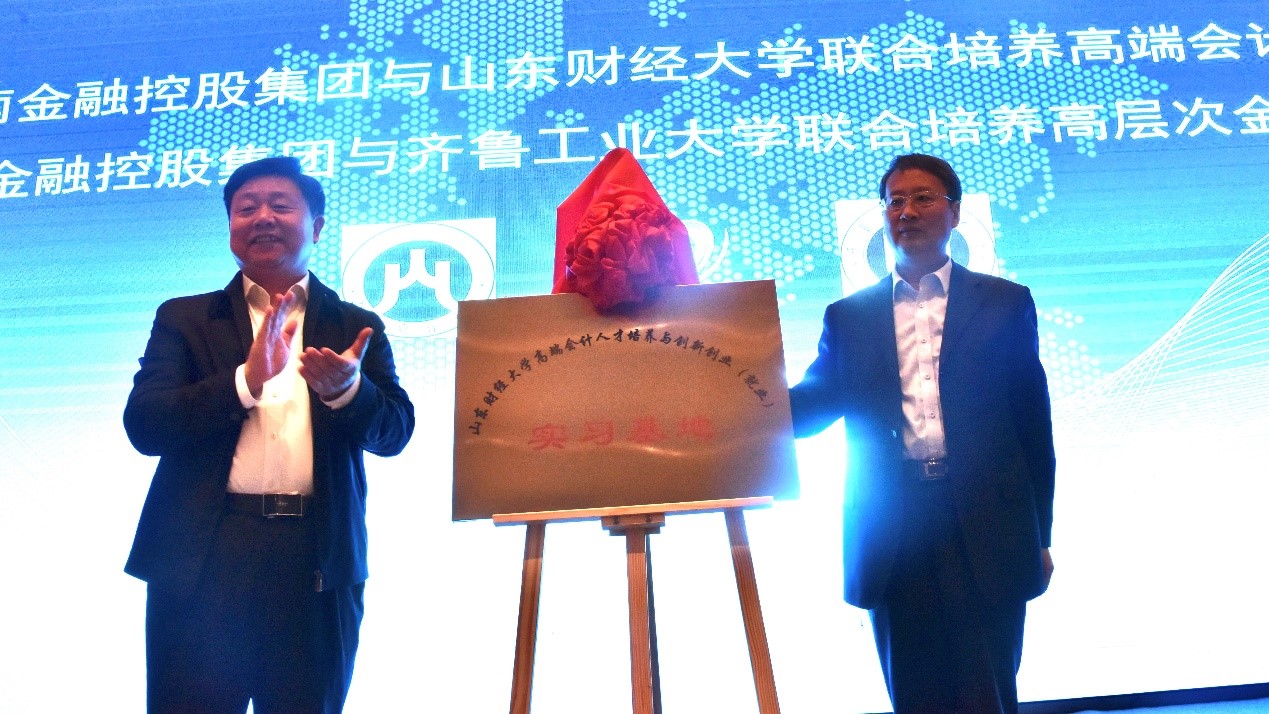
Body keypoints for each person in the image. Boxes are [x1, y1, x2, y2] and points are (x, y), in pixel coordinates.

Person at [123, 156, 415, 713]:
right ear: (230, 226)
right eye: (245, 208)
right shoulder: (185, 319)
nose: (262, 218)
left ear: (316, 227)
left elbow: (395, 432)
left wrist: (349, 393)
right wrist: (245, 381)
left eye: (281, 206)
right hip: (204, 555)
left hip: (317, 557)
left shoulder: (355, 324)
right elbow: (146, 425)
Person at [789, 154, 1055, 713]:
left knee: (989, 687)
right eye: (894, 201)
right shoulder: (849, 316)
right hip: (894, 523)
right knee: (914, 691)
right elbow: (813, 405)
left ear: (954, 212)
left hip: (987, 520)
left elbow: (1033, 426)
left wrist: (1041, 534)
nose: (906, 211)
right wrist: (739, 397)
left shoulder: (1005, 303)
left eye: (922, 198)